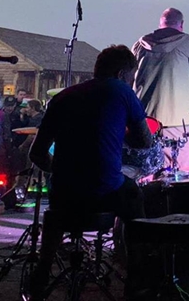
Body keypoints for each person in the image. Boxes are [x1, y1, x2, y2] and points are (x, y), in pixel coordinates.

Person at [28, 45, 152, 301]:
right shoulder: (121, 91)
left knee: (59, 201)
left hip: (64, 195)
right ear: (121, 74)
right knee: (134, 194)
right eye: (131, 76)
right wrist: (118, 133)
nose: (131, 82)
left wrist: (61, 171)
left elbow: (36, 153)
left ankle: (41, 273)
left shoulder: (62, 97)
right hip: (103, 192)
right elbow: (144, 141)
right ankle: (137, 278)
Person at [132, 8, 189, 172]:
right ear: (181, 24)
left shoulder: (139, 45)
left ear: (160, 24)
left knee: (144, 174)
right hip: (176, 122)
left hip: (144, 123)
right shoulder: (188, 42)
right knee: (185, 172)